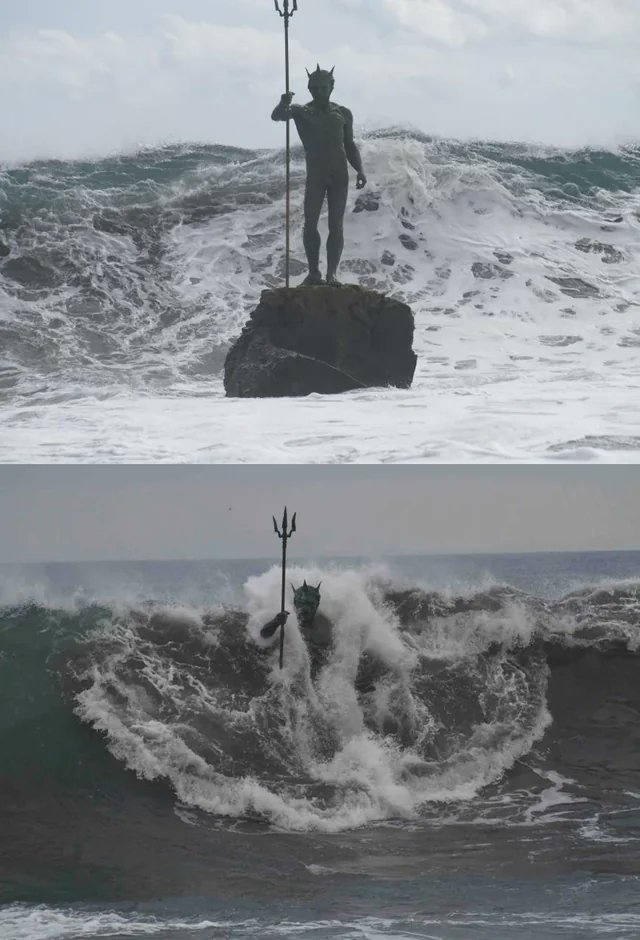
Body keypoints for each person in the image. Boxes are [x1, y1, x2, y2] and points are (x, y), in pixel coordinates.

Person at [272, 65, 367, 286]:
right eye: (314, 88)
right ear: (309, 87)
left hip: (339, 175)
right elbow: (277, 116)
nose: (319, 92)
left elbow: (350, 145)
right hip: (315, 175)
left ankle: (332, 274)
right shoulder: (301, 111)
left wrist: (360, 169)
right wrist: (282, 102)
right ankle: (313, 272)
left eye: (323, 88)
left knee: (336, 225)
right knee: (310, 224)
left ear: (331, 87)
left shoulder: (343, 113)